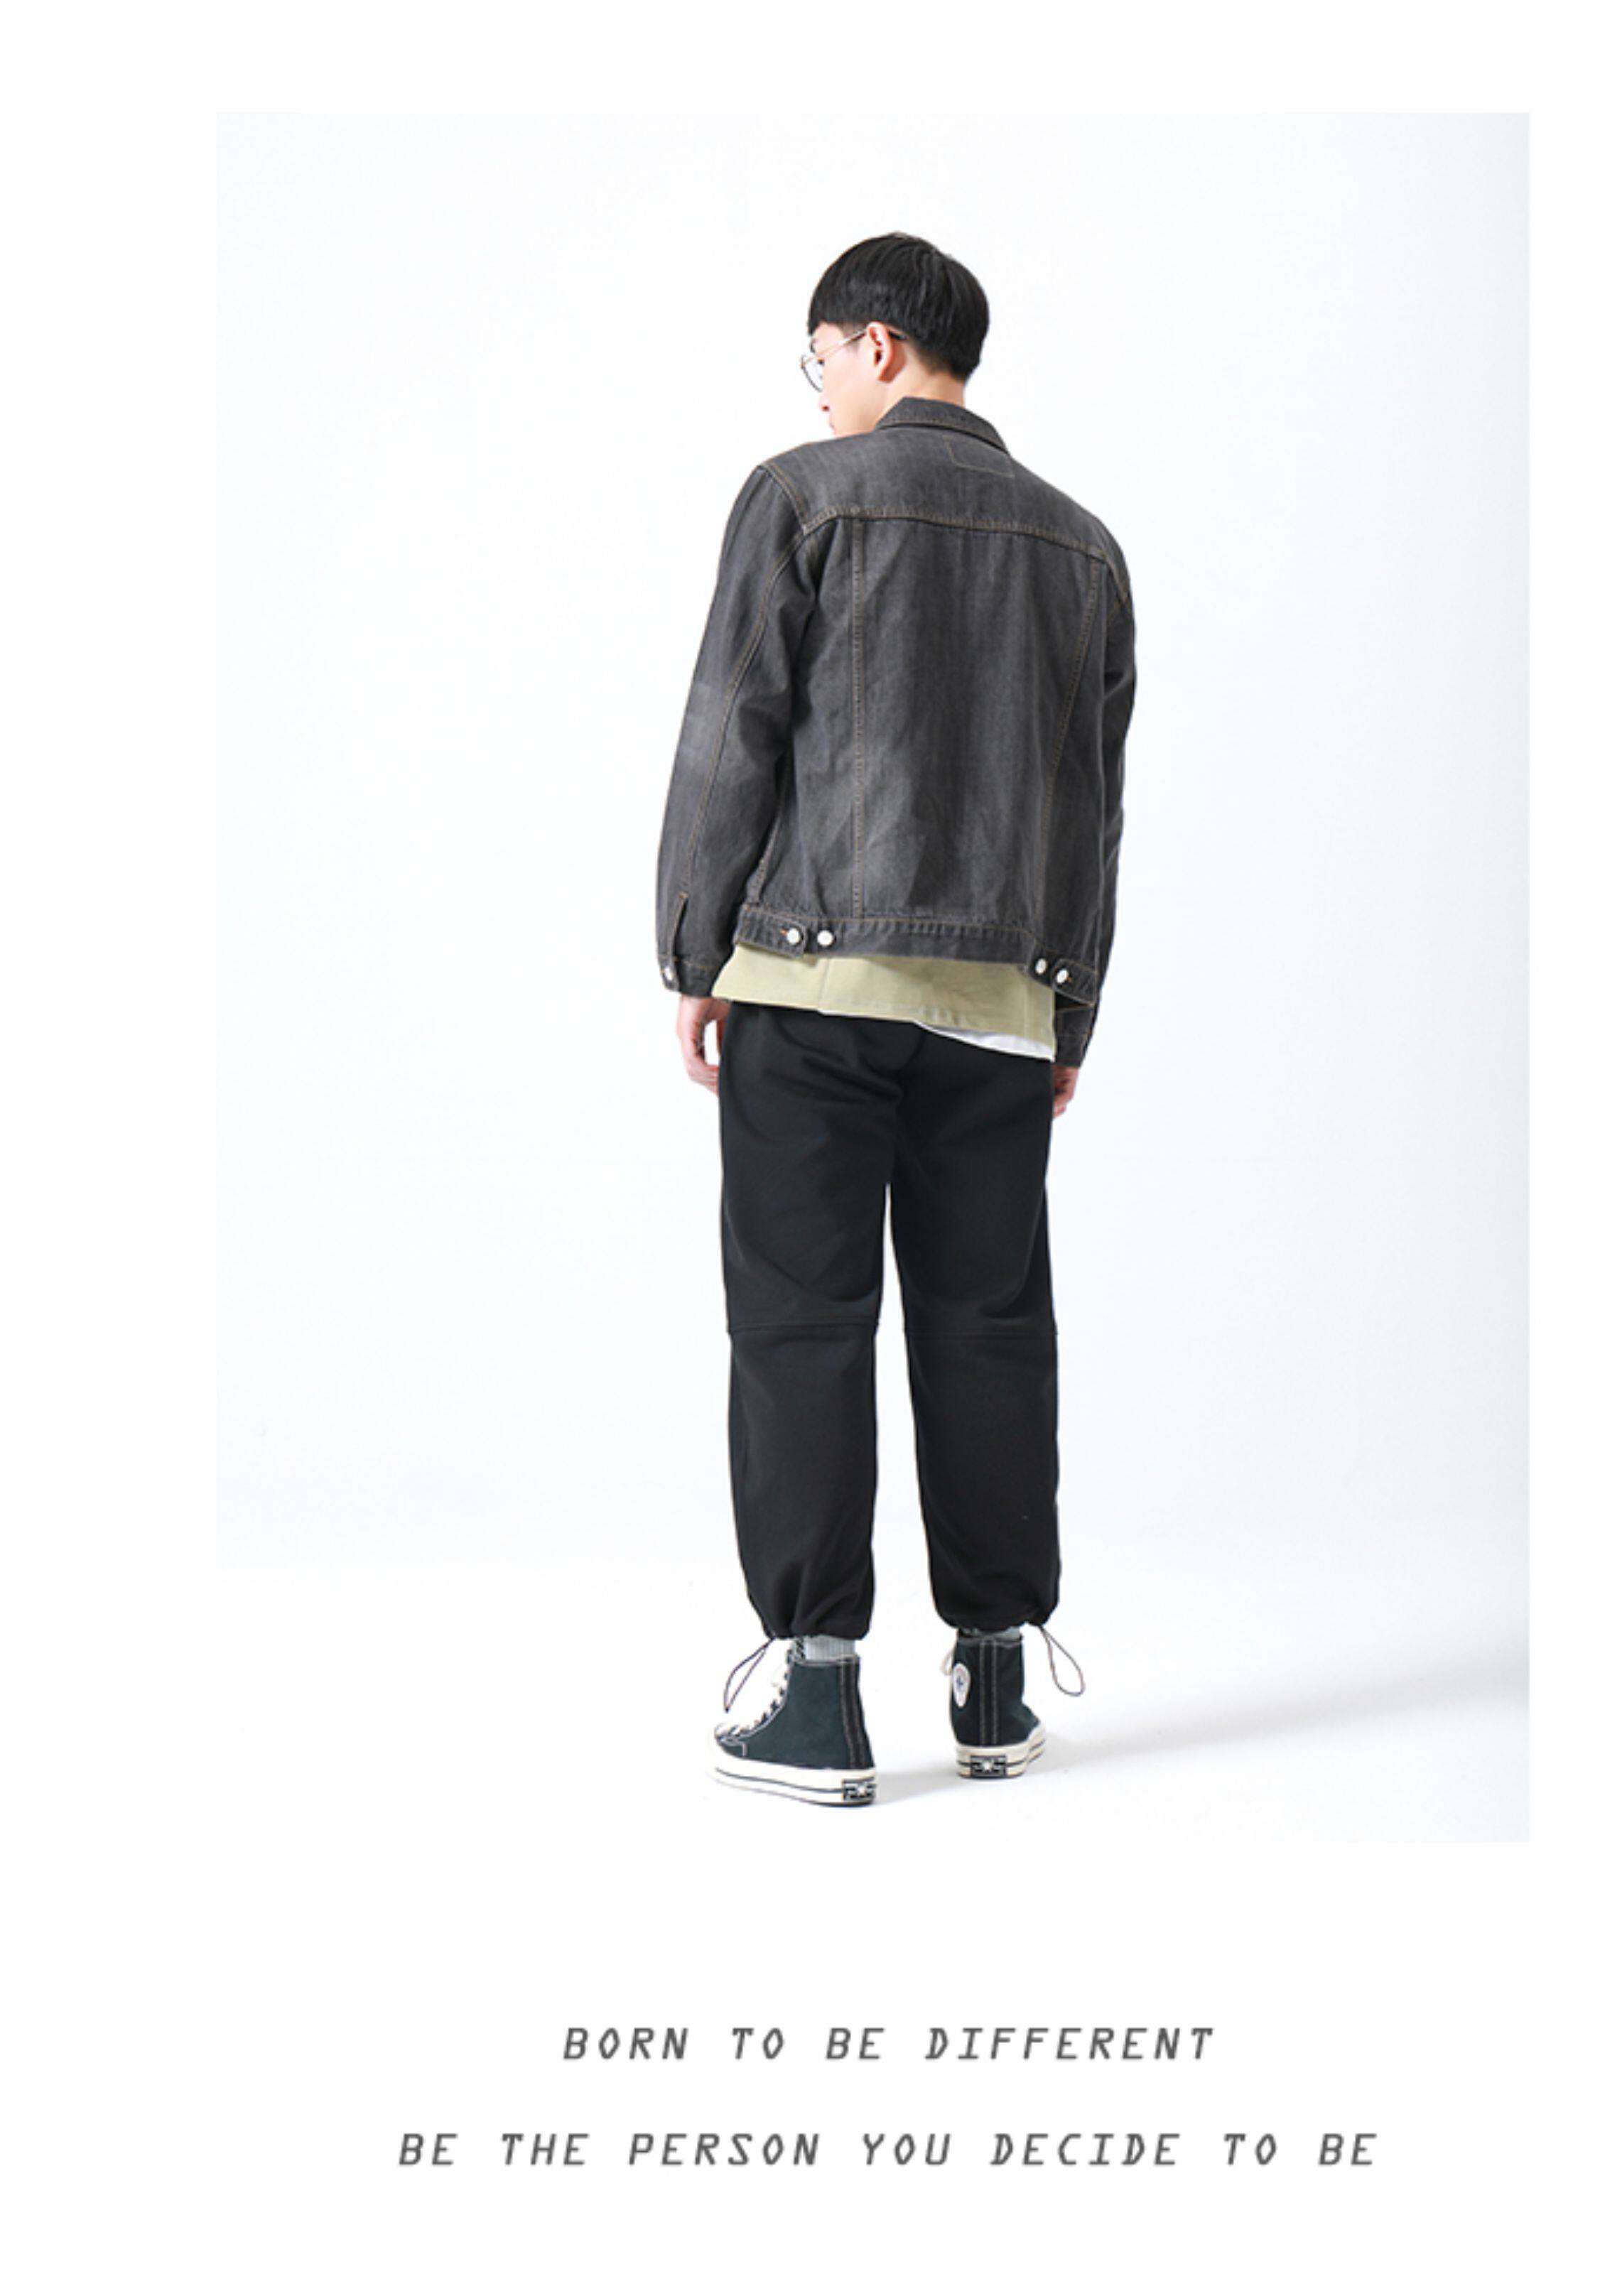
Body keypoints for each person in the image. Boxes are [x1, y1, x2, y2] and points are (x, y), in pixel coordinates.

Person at [653, 232, 1136, 1805]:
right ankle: (994, 1670)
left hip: (811, 984)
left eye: (818, 361)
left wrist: (693, 950)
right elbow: (1092, 807)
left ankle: (819, 1694)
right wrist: (1064, 1012)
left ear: (873, 344)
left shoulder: (802, 496)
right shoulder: (1082, 546)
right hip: (997, 1010)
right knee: (988, 1326)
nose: (818, 392)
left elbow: (734, 727)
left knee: (802, 1322)